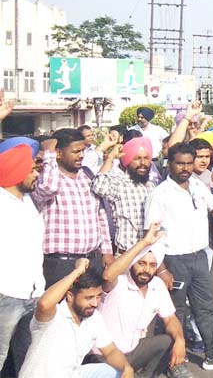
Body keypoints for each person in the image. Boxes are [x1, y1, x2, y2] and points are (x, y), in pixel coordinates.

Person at [144, 143, 213, 371]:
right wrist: (162, 269)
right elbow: (152, 236)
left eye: (189, 163)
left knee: (204, 309)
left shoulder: (197, 185)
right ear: (170, 164)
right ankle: (172, 362)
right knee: (173, 313)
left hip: (199, 257)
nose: (185, 168)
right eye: (180, 163)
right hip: (173, 260)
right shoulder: (159, 194)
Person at [99, 224, 192, 378]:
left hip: (132, 353)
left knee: (168, 341)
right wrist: (144, 243)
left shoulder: (157, 285)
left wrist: (180, 340)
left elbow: (170, 319)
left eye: (152, 265)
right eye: (141, 263)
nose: (146, 270)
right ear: (132, 264)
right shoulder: (118, 283)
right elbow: (107, 276)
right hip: (105, 358)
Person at [19, 260, 134, 378]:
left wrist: (127, 368)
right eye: (89, 298)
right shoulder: (54, 315)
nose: (95, 303)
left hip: (73, 374)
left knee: (119, 372)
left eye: (98, 296)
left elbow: (110, 352)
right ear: (70, 296)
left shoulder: (94, 318)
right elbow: (44, 304)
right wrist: (77, 271)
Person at [31, 129, 114, 287]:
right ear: (59, 153)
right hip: (59, 263)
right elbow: (49, 188)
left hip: (91, 259)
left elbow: (100, 214)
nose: (81, 155)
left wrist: (107, 250)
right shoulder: (45, 178)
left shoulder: (87, 176)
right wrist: (49, 153)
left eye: (82, 150)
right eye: (76, 151)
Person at [0, 140, 44, 370]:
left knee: (27, 358)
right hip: (6, 293)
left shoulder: (27, 201)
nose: (37, 174)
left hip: (32, 293)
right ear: (16, 170)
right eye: (32, 170)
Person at [92, 137, 157, 253]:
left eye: (146, 158)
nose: (143, 163)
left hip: (150, 255)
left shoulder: (152, 186)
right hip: (125, 253)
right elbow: (98, 186)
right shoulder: (119, 183)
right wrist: (111, 157)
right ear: (127, 160)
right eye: (137, 158)